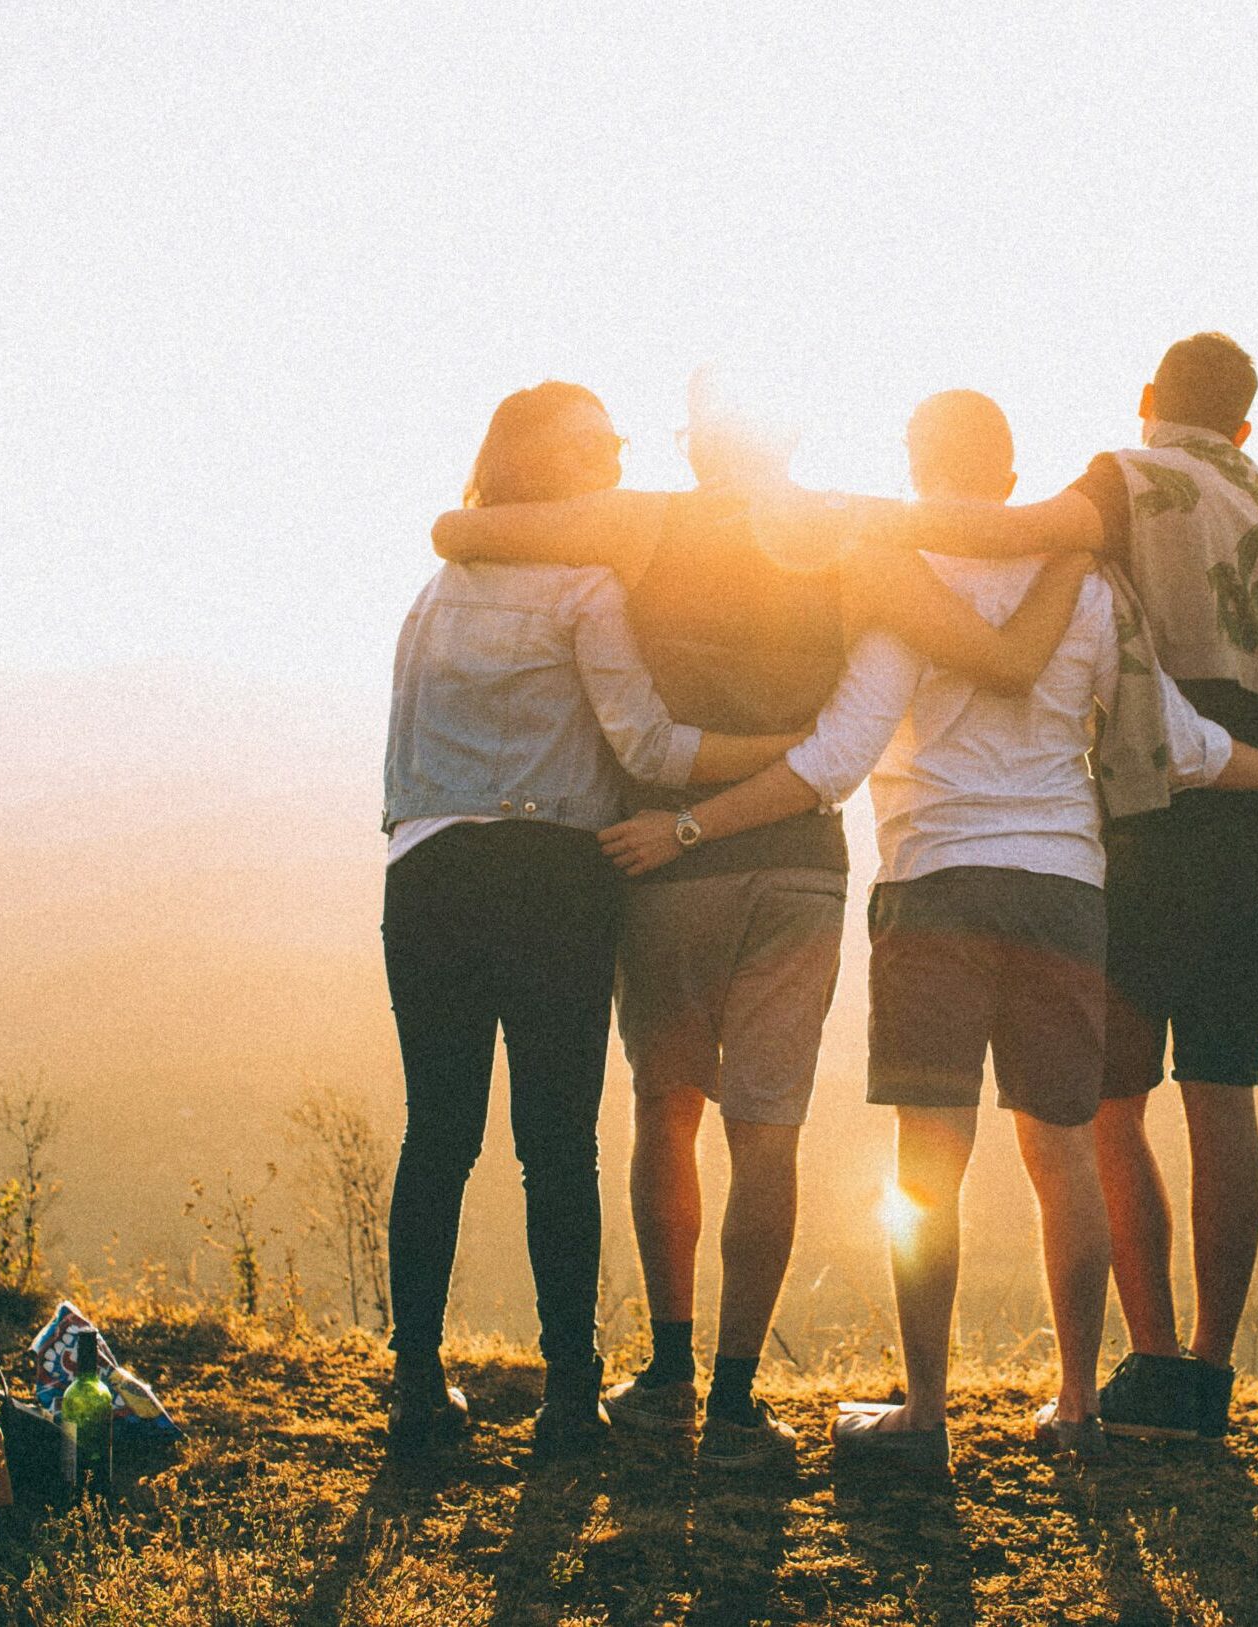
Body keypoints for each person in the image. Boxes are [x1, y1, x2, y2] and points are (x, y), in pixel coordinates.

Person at [599, 389, 1258, 1470]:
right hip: (1065, 894)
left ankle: (926, 1413)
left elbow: (837, 759)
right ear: (1009, 477)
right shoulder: (1088, 588)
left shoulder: (902, 581)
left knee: (928, 1166)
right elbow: (1181, 745)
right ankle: (1080, 1405)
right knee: (1064, 1157)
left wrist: (690, 824)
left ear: (915, 466)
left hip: (935, 887)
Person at [433, 370, 1090, 1471]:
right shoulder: (848, 535)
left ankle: (669, 1372)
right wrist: (1073, 544)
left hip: (664, 859)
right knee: (767, 1129)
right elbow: (994, 652)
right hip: (798, 866)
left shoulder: (640, 526)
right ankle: (738, 1403)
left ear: (696, 447)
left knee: (667, 1108)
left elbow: (466, 529)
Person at [855, 335, 1258, 1443]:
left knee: (1104, 1108)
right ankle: (1205, 1379)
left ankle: (1151, 1365)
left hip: (1159, 821)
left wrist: (854, 521)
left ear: (1147, 401)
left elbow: (1015, 536)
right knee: (1226, 1091)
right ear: (1247, 427)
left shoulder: (1130, 479)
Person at [380, 381, 807, 1458]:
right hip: (553, 879)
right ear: (550, 467)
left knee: (438, 1134)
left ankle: (417, 1386)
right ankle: (571, 1393)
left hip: (426, 874)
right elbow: (653, 752)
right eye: (598, 447)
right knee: (556, 1145)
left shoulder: (435, 593)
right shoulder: (585, 587)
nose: (616, 460)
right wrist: (788, 754)